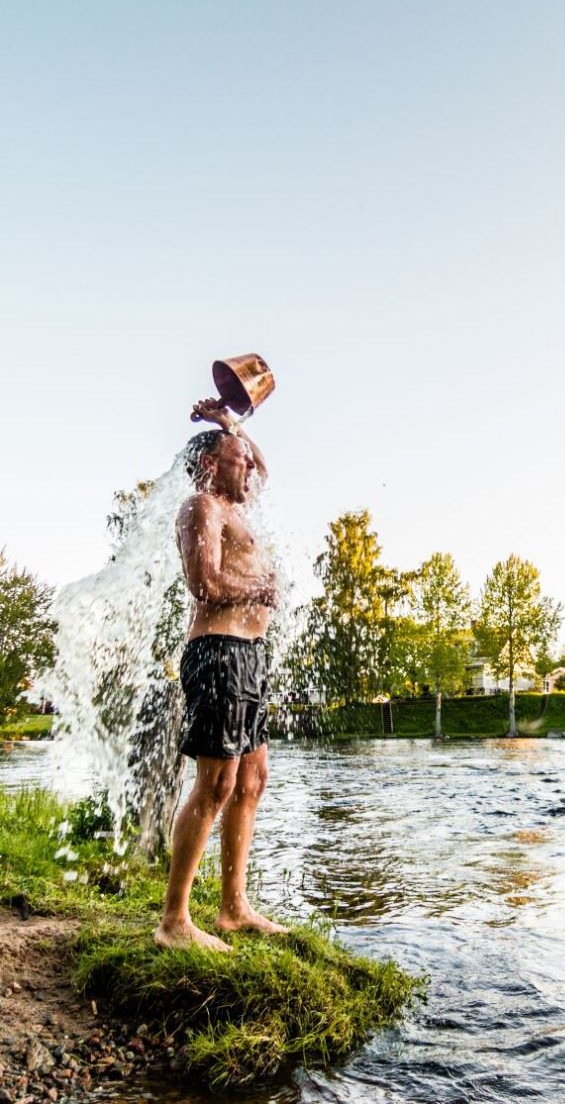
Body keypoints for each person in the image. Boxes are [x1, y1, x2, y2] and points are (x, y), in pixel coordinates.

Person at [154, 398, 288, 951]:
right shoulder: (200, 507)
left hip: (248, 656)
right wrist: (258, 590)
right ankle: (174, 921)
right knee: (217, 783)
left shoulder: (238, 510)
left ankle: (233, 908)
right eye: (238, 459)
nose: (250, 468)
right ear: (211, 465)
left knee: (252, 781)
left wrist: (231, 426)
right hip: (218, 652)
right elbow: (203, 583)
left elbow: (266, 467)